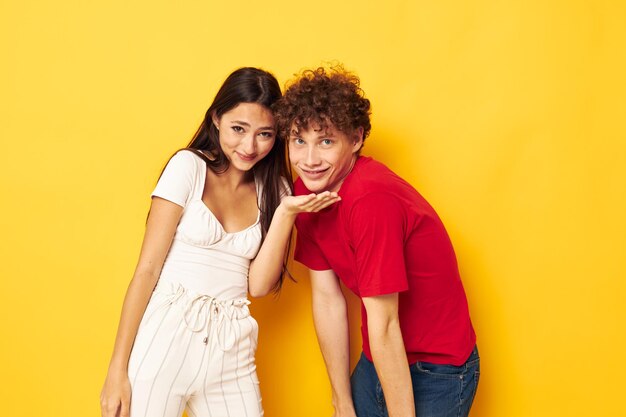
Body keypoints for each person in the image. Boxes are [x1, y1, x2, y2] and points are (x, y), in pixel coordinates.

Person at [100, 67, 340, 417]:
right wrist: (116, 369)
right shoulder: (188, 168)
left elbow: (257, 286)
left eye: (265, 134)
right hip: (165, 338)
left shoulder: (277, 191)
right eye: (238, 129)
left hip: (231, 345)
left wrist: (286, 212)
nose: (249, 146)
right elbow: (147, 270)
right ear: (217, 118)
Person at [273, 66, 479, 417]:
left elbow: (384, 322)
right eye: (298, 141)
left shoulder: (370, 199)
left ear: (355, 139)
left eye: (325, 141)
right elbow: (327, 298)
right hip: (378, 358)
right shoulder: (306, 193)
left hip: (436, 367)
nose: (309, 160)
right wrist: (342, 400)